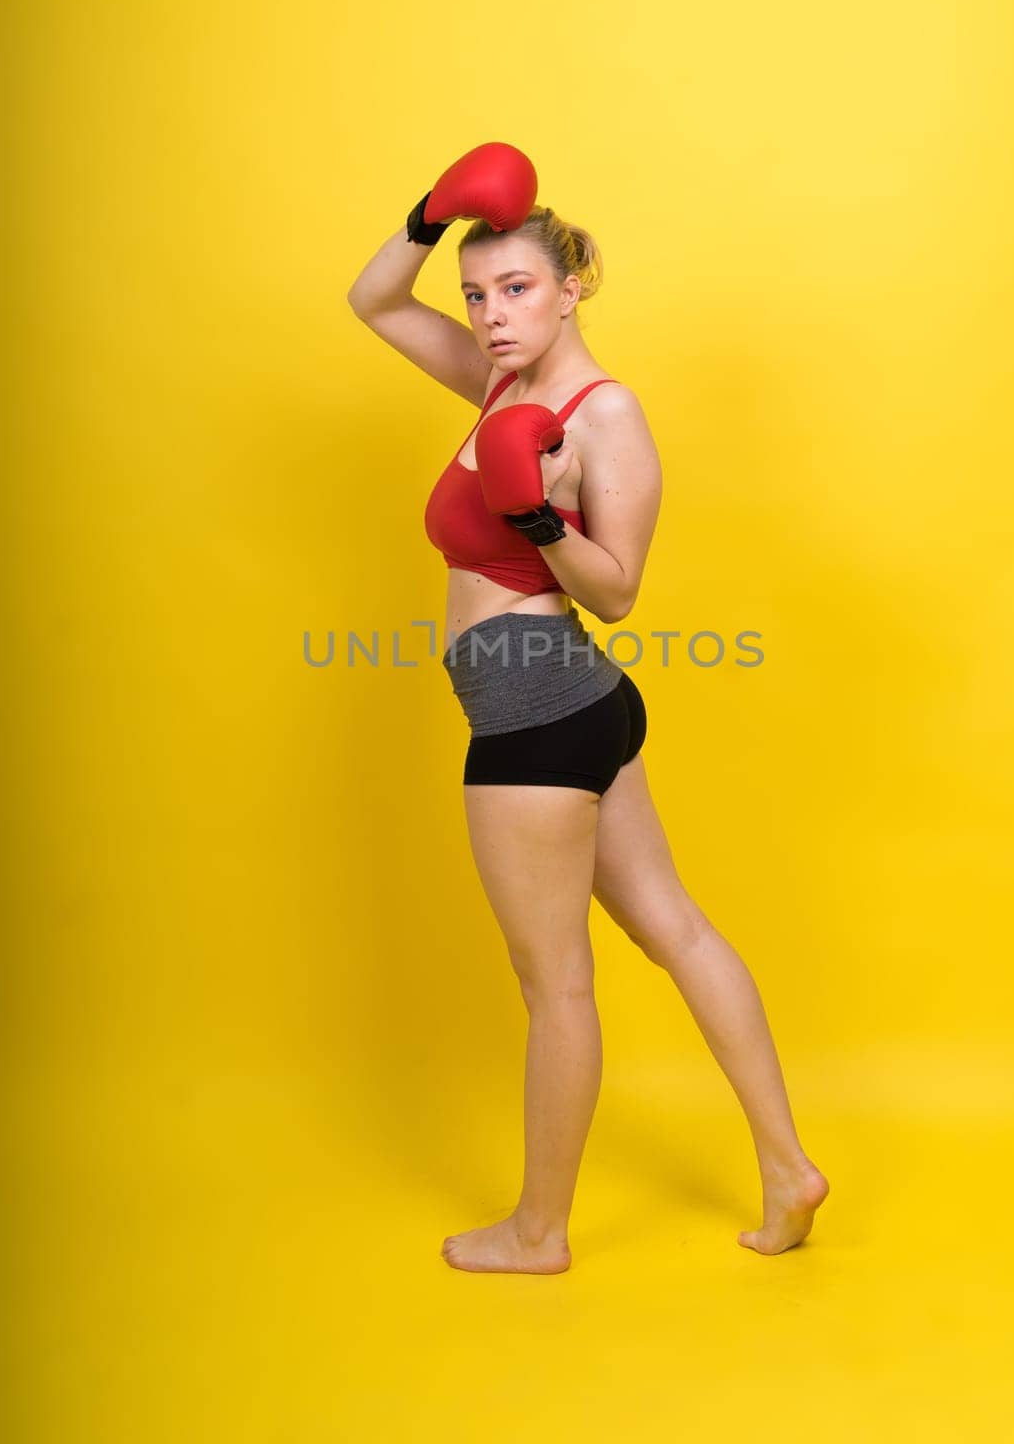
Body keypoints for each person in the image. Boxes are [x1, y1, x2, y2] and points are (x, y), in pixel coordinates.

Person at [347, 165, 829, 1275]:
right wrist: (431, 214)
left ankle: (537, 1230)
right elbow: (375, 302)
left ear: (571, 289)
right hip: (577, 708)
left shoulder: (603, 414)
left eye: (514, 288)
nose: (489, 314)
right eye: (475, 293)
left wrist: (532, 513)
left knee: (555, 984)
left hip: (533, 716)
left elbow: (615, 589)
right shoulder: (493, 383)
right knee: (677, 932)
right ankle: (786, 1166)